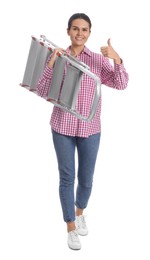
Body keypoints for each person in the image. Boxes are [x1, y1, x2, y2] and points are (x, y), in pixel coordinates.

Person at [37, 13, 129, 250]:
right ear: (68, 31)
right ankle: (70, 227)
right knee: (67, 177)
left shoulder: (98, 61)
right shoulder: (59, 57)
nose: (79, 33)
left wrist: (117, 59)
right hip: (62, 127)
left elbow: (121, 84)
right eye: (75, 29)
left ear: (89, 33)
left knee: (86, 179)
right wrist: (50, 64)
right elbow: (42, 90)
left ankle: (79, 213)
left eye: (84, 30)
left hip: (91, 128)